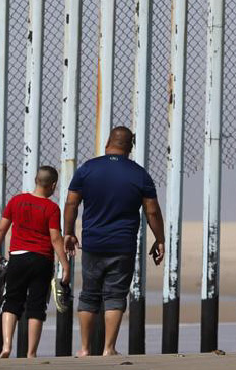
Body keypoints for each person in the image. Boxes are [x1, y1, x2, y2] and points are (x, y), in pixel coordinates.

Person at [63, 126, 165, 357]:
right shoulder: (139, 174)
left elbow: (71, 204)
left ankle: (85, 348)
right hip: (123, 245)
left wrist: (68, 232)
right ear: (131, 146)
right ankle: (109, 348)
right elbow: (153, 211)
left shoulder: (87, 169)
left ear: (108, 141)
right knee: (116, 294)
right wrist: (160, 239)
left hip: (93, 243)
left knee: (89, 293)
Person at [0, 165, 70, 358]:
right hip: (42, 260)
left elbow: (1, 229)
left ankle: (7, 346)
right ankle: (31, 353)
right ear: (53, 185)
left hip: (18, 257)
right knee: (36, 305)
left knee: (11, 301)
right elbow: (55, 238)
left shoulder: (16, 201)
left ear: (35, 180)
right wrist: (65, 265)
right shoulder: (52, 208)